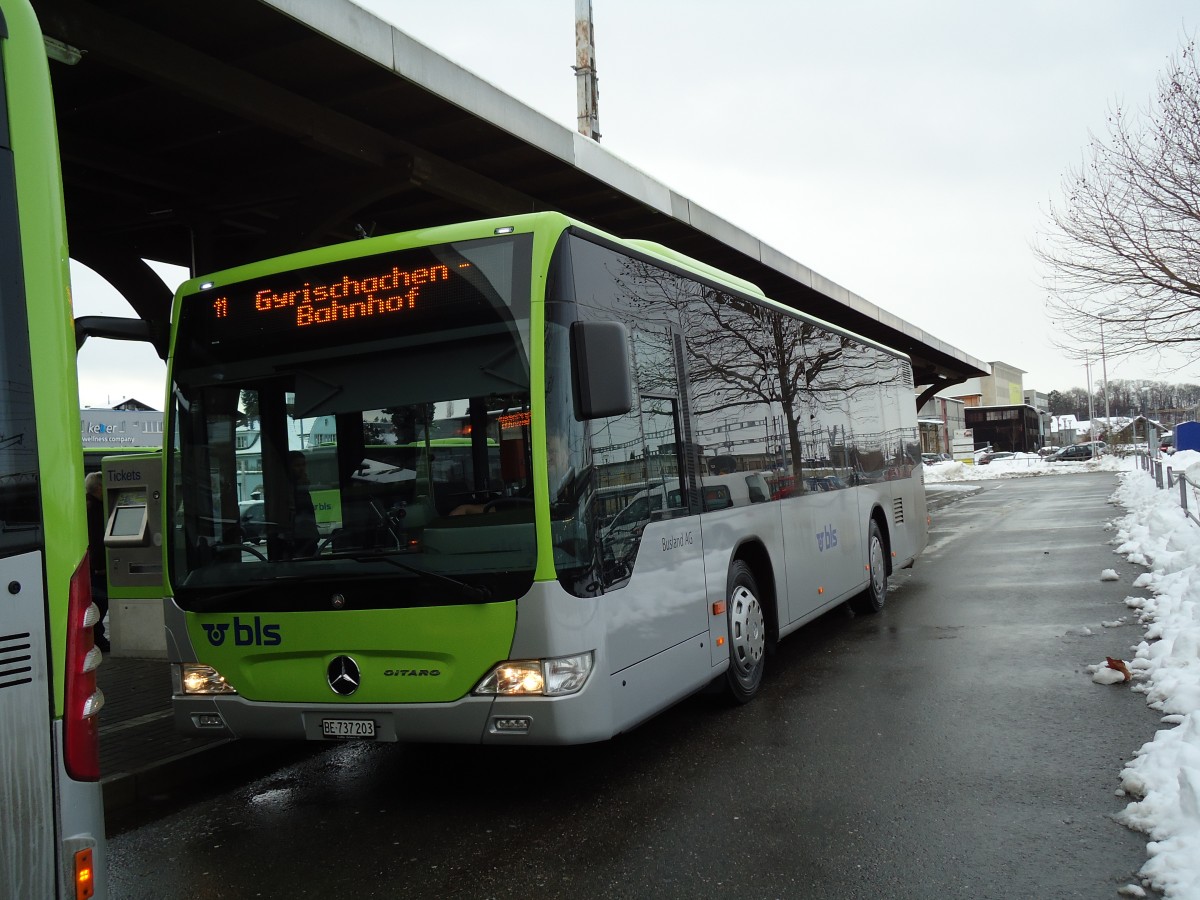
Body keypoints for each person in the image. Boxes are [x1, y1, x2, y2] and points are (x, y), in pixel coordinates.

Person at [84, 471, 110, 652]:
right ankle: (96, 637)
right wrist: (100, 565)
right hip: (97, 566)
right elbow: (97, 538)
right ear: (99, 488)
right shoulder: (94, 507)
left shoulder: (87, 504)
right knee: (100, 601)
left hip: (92, 564)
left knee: (97, 601)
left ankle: (96, 636)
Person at [287, 451, 319, 555]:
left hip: (308, 537)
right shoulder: (292, 488)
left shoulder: (303, 486)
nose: (301, 468)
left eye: (303, 465)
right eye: (297, 465)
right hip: (299, 539)